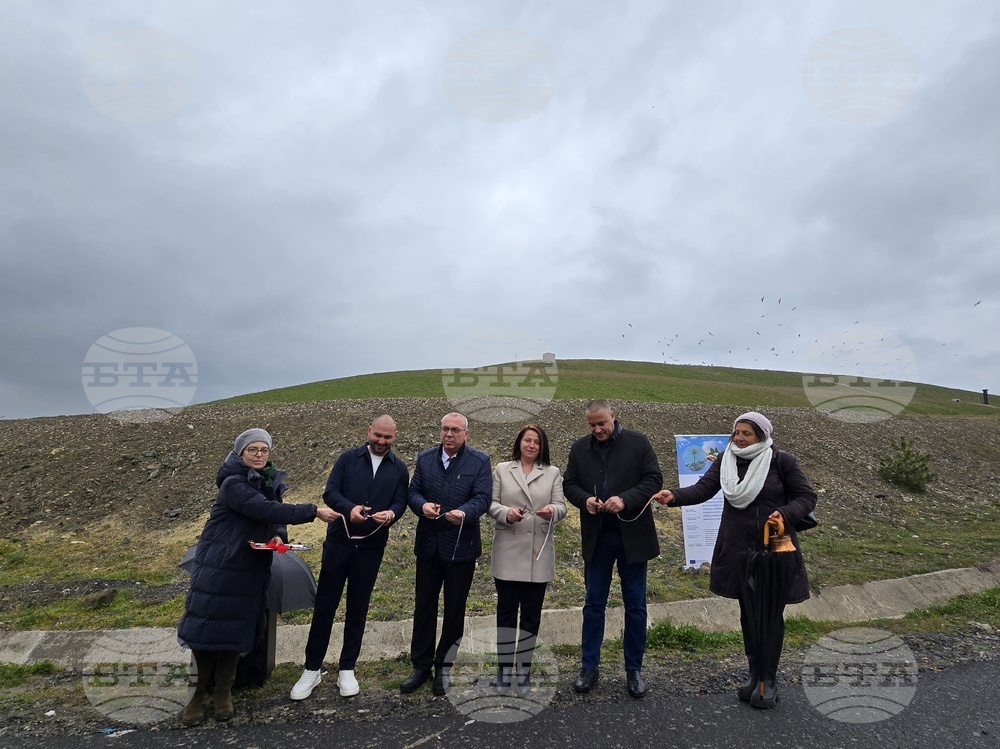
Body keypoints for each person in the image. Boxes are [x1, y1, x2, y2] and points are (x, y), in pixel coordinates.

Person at [653, 411, 817, 709]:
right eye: (737, 432)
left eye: (746, 434)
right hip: (738, 548)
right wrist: (674, 496)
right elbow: (703, 489)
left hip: (773, 550)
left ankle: (768, 680)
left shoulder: (781, 461)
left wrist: (785, 513)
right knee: (748, 611)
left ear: (762, 436)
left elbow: (807, 498)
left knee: (770, 613)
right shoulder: (726, 460)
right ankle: (754, 675)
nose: (739, 438)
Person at [177, 428, 339, 726]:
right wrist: (313, 511)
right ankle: (196, 697)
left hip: (251, 565)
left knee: (236, 628)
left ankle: (223, 692)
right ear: (240, 453)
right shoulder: (233, 482)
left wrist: (278, 536)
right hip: (221, 564)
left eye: (264, 450)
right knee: (207, 629)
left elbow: (272, 518)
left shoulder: (267, 481)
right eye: (253, 450)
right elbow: (262, 508)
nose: (259, 455)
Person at [289, 415, 409, 701]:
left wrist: (392, 514)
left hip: (371, 547)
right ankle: (312, 668)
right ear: (369, 431)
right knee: (325, 606)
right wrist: (349, 508)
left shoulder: (400, 468)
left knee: (358, 608)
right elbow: (330, 492)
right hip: (339, 543)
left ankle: (347, 668)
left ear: (395, 437)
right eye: (377, 435)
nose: (381, 441)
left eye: (387, 437)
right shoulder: (347, 459)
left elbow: (400, 501)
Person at [562, 400, 663, 699]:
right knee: (594, 603)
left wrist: (625, 499)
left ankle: (634, 669)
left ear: (613, 416)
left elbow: (654, 480)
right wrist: (585, 500)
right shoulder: (579, 448)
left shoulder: (638, 442)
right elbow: (569, 484)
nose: (597, 429)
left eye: (602, 423)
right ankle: (589, 667)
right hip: (598, 537)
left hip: (633, 536)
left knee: (636, 604)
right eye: (592, 425)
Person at [400, 412, 492, 696]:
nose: (449, 434)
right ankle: (421, 666)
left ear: (466, 434)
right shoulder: (425, 458)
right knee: (424, 606)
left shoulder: (480, 461)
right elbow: (413, 491)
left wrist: (464, 512)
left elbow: (483, 498)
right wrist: (422, 506)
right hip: (429, 546)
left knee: (454, 609)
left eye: (455, 430)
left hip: (461, 547)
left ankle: (444, 666)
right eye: (445, 429)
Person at [487, 424, 567, 697]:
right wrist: (506, 513)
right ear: (519, 443)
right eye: (527, 440)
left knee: (531, 616)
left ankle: (524, 670)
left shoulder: (552, 472)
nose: (531, 445)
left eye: (537, 442)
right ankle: (504, 669)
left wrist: (552, 511)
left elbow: (562, 506)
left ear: (543, 446)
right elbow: (490, 503)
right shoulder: (502, 469)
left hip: (538, 552)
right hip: (508, 551)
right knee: (506, 615)